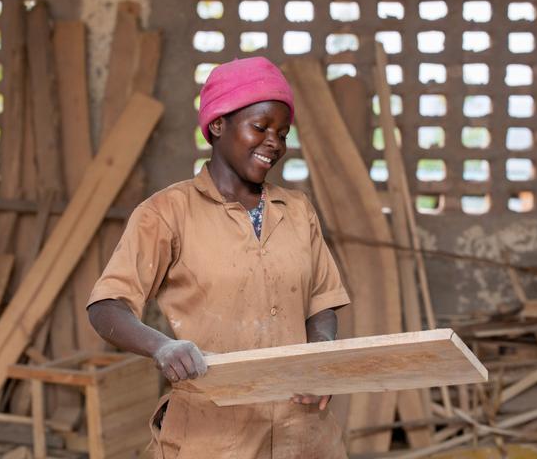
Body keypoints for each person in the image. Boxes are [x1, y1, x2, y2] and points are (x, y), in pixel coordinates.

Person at [87, 56, 350, 458]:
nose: (274, 143)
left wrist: (319, 356)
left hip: (304, 435)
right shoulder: (166, 213)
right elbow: (107, 305)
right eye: (260, 127)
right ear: (217, 125)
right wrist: (162, 347)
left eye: (282, 132)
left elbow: (322, 304)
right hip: (214, 437)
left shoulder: (297, 210)